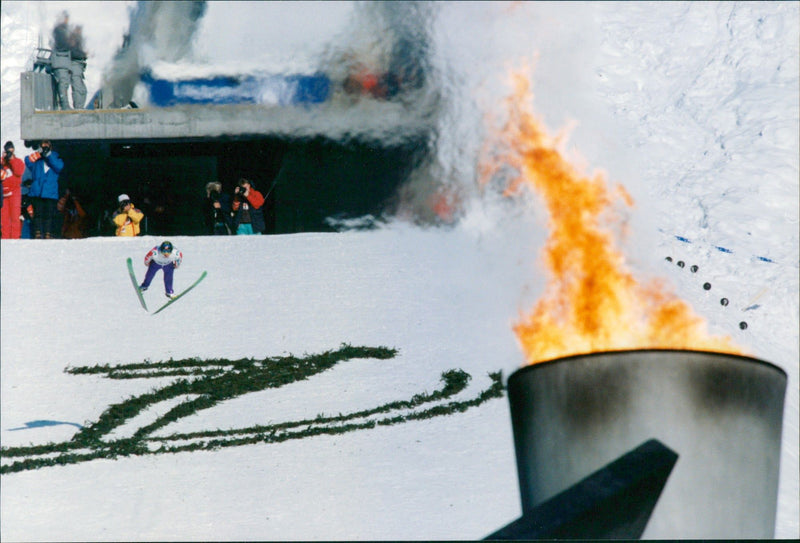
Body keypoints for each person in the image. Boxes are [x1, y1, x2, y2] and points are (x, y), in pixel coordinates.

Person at [25, 140, 63, 238]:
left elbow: (59, 167)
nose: (45, 146)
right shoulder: (38, 160)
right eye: (43, 145)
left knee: (49, 214)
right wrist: (39, 153)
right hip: (37, 191)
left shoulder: (56, 157)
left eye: (47, 145)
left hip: (50, 192)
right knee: (38, 213)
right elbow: (28, 161)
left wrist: (49, 155)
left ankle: (47, 233)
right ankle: (38, 233)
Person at [1, 140, 26, 239]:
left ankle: (15, 237)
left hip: (14, 193)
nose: (9, 153)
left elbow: (19, 171)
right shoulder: (2, 162)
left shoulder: (18, 161)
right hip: (3, 194)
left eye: (11, 151)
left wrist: (11, 159)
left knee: (15, 217)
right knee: (4, 219)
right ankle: (5, 238)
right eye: (8, 151)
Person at [51, 11, 73, 110]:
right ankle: (64, 106)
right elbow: (61, 44)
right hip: (60, 60)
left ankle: (64, 105)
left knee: (65, 83)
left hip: (64, 61)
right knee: (63, 83)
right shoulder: (58, 30)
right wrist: (71, 42)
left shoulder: (64, 30)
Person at [67, 25, 88, 110]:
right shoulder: (72, 39)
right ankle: (78, 107)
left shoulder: (79, 39)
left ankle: (80, 107)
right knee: (78, 87)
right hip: (74, 64)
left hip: (79, 65)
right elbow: (73, 53)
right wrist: (84, 54)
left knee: (83, 90)